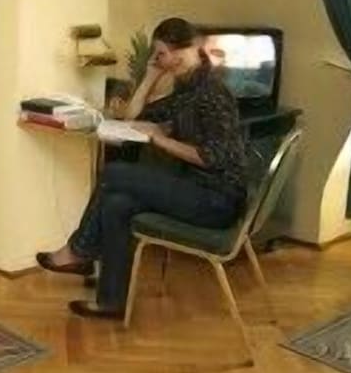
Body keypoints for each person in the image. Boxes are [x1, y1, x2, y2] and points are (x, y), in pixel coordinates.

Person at [35, 17, 248, 319]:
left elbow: (213, 158)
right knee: (116, 203)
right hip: (194, 188)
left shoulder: (213, 93)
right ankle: (111, 303)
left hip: (217, 200)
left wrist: (160, 139)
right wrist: (150, 77)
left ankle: (79, 251)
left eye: (160, 54)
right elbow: (135, 116)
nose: (158, 59)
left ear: (178, 52)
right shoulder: (188, 89)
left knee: (115, 173)